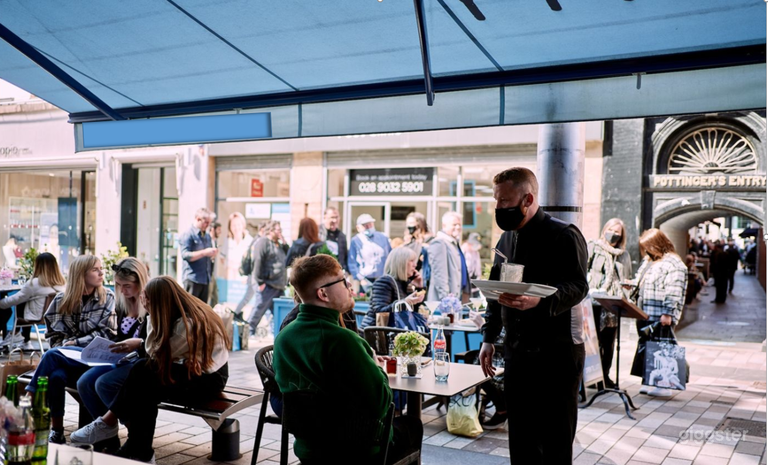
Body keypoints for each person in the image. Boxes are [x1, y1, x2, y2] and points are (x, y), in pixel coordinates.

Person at [478, 167, 588, 465]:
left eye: (504, 201)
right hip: (517, 354)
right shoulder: (506, 240)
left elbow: (579, 286)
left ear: (527, 198)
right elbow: (495, 292)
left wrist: (538, 301)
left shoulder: (564, 234)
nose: (499, 207)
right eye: (496, 200)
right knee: (522, 441)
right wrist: (489, 338)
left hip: (557, 355)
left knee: (555, 442)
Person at [273, 255, 422, 464]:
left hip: (308, 449)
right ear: (323, 293)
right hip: (357, 450)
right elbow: (380, 404)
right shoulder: (343, 340)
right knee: (413, 425)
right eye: (342, 281)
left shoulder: (284, 338)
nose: (349, 285)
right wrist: (374, 363)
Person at [95, 276, 229, 462]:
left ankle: (119, 432)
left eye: (148, 300)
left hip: (207, 380)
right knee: (145, 385)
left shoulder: (186, 323)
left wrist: (150, 316)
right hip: (192, 370)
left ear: (160, 302)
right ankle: (137, 449)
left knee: (144, 375)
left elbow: (154, 353)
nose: (145, 302)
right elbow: (161, 355)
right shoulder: (183, 311)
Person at [27, 255, 117, 444]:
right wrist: (67, 347)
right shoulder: (61, 300)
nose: (101, 273)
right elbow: (53, 335)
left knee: (52, 356)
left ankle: (29, 397)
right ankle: (57, 432)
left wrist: (74, 342)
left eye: (101, 268)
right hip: (68, 359)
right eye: (95, 269)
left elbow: (106, 333)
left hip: (95, 360)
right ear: (81, 274)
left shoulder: (107, 297)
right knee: (56, 376)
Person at [69, 257, 150, 449]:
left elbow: (154, 344)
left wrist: (137, 344)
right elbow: (113, 334)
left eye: (127, 285)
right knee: (84, 383)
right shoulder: (120, 303)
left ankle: (136, 438)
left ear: (140, 281)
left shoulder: (150, 303)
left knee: (103, 383)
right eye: (118, 285)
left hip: (141, 363)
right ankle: (108, 436)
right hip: (118, 358)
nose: (122, 290)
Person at [629, 228, 687, 397]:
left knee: (663, 348)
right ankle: (648, 380)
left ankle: (665, 384)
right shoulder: (650, 261)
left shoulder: (674, 264)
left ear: (658, 244)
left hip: (660, 314)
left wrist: (668, 312)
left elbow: (674, 289)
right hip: (645, 311)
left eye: (649, 246)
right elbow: (641, 281)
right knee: (648, 347)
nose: (647, 250)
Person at [585, 218, 632, 388]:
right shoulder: (593, 247)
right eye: (611, 229)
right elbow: (585, 269)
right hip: (594, 301)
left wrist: (626, 286)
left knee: (609, 342)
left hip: (612, 303)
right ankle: (592, 376)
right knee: (593, 341)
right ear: (604, 229)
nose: (613, 234)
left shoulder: (623, 255)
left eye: (617, 232)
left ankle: (605, 375)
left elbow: (626, 276)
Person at [0, 252, 65, 350]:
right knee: (27, 300)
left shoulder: (34, 283)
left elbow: (15, 299)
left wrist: (1, 303)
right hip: (55, 318)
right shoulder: (63, 285)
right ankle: (25, 340)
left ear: (38, 266)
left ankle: (16, 333)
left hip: (35, 317)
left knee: (21, 301)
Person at [361, 247, 425, 329]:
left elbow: (411, 312)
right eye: (411, 261)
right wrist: (405, 302)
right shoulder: (384, 281)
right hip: (376, 334)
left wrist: (418, 287)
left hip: (393, 332)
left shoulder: (404, 283)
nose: (415, 265)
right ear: (400, 263)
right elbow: (379, 311)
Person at [246, 220, 288, 334]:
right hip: (268, 284)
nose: (280, 232)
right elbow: (257, 261)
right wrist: (260, 282)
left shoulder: (278, 244)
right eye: (278, 230)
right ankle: (248, 331)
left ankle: (278, 333)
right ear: (271, 230)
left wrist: (284, 241)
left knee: (279, 313)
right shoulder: (263, 242)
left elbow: (288, 256)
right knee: (259, 309)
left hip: (278, 285)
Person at [427, 212, 470, 302]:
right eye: (454, 224)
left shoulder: (453, 243)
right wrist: (447, 300)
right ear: (444, 225)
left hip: (456, 298)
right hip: (445, 302)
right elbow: (440, 275)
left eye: (459, 224)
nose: (458, 227)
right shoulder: (439, 243)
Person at [179, 208, 218, 302]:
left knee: (202, 311)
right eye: (206, 222)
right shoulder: (188, 234)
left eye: (209, 222)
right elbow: (185, 255)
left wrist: (212, 254)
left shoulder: (207, 236)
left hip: (205, 279)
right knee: (189, 309)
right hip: (193, 279)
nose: (208, 225)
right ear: (197, 219)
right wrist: (204, 252)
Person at [348, 214, 391, 292]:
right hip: (365, 280)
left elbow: (390, 256)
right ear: (358, 228)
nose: (368, 227)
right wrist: (360, 279)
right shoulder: (356, 240)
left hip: (382, 278)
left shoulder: (383, 237)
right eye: (365, 225)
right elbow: (352, 262)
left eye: (370, 224)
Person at [403, 212, 433, 285]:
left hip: (424, 277)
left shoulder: (429, 240)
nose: (409, 226)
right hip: (409, 276)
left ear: (420, 224)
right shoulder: (408, 241)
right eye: (408, 223)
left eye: (412, 222)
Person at [319, 206, 348, 271]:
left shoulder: (341, 236)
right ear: (324, 218)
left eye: (336, 217)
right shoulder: (318, 233)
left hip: (337, 272)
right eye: (332, 217)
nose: (334, 220)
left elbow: (345, 256)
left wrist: (346, 270)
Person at [208, 221, 222, 307]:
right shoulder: (207, 240)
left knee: (215, 295)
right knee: (209, 295)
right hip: (207, 273)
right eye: (219, 229)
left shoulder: (215, 241)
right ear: (213, 229)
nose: (220, 232)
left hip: (211, 272)